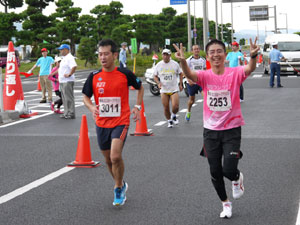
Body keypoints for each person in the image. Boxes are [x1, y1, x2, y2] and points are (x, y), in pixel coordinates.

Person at [173, 38, 259, 219]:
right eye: (212, 52)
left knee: (228, 169)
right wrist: (182, 61)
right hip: (210, 131)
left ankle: (236, 178)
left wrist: (253, 56)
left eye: (219, 51)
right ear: (207, 56)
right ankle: (225, 203)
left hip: (232, 129)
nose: (216, 54)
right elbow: (190, 74)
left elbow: (250, 68)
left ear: (225, 55)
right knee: (214, 170)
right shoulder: (204, 76)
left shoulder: (235, 73)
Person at [82, 39, 144, 206]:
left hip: (121, 121)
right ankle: (122, 183)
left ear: (115, 55)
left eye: (106, 54)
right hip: (101, 123)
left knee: (115, 156)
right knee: (108, 160)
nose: (102, 57)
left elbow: (140, 87)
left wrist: (137, 106)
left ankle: (117, 187)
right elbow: (85, 97)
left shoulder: (124, 73)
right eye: (100, 54)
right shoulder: (94, 76)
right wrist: (91, 107)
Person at [153, 49, 183, 128]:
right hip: (164, 90)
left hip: (174, 89)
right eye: (164, 55)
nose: (165, 56)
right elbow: (155, 76)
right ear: (162, 55)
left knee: (175, 106)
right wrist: (158, 83)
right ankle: (169, 120)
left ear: (170, 56)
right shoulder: (159, 65)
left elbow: (180, 73)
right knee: (166, 107)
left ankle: (173, 115)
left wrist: (181, 84)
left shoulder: (175, 64)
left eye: (167, 55)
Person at [185, 44, 206, 122]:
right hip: (192, 83)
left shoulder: (203, 60)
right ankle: (188, 111)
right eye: (195, 49)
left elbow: (204, 70)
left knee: (206, 97)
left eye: (198, 49)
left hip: (200, 82)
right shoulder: (189, 60)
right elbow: (185, 71)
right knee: (191, 101)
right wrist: (189, 79)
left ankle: (207, 114)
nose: (196, 50)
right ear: (192, 51)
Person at [57, 44, 77, 119]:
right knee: (64, 98)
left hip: (67, 81)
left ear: (66, 50)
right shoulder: (64, 58)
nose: (60, 51)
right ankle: (66, 112)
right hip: (63, 81)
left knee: (68, 98)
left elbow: (74, 66)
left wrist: (69, 74)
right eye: (60, 50)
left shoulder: (69, 57)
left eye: (62, 49)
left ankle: (71, 113)